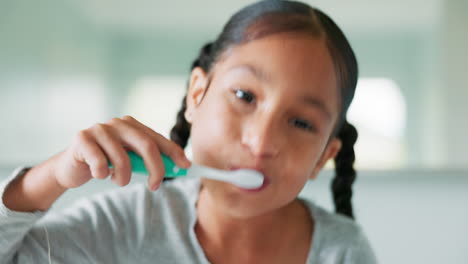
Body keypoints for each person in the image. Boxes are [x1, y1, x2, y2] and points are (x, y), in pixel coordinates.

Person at [0, 0, 378, 263]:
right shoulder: (124, 226)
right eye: (245, 96)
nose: (260, 143)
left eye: (301, 123)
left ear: (324, 157)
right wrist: (50, 176)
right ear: (197, 95)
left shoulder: (341, 251)